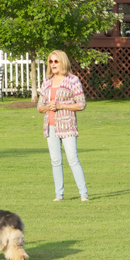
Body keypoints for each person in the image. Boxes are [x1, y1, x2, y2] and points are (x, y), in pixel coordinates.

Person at [36, 50, 88, 202]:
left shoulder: (73, 80)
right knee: (55, 161)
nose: (53, 64)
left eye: (56, 61)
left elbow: (81, 104)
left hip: (67, 125)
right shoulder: (47, 82)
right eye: (51, 61)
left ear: (63, 62)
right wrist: (48, 107)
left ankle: (83, 194)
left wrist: (60, 105)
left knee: (73, 158)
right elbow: (40, 107)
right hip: (50, 126)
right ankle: (59, 195)